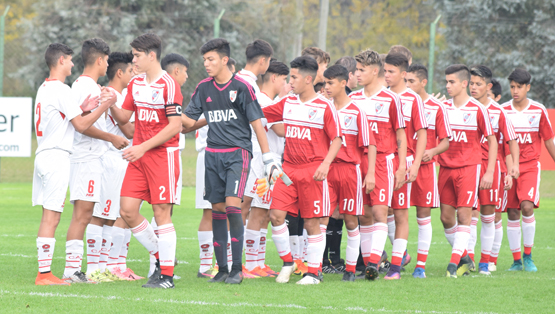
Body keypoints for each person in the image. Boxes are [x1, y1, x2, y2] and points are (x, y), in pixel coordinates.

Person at [182, 38, 282, 284]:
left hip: (237, 154)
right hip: (212, 156)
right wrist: (170, 111)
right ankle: (222, 269)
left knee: (232, 207)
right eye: (204, 60)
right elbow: (186, 122)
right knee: (216, 210)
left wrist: (268, 158)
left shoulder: (242, 87)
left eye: (211, 59)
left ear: (225, 60)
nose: (206, 64)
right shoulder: (203, 88)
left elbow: (257, 125)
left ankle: (238, 269)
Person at [33, 43, 115, 286]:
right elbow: (80, 125)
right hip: (56, 155)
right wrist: (104, 105)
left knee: (49, 216)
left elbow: (71, 117)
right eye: (69, 60)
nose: (72, 64)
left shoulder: (45, 87)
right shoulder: (61, 88)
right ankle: (44, 275)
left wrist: (89, 107)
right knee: (52, 217)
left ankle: (46, 272)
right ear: (60, 61)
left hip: (45, 154)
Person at [110, 33, 183, 289]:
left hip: (163, 157)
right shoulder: (136, 83)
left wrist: (142, 147)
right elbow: (125, 116)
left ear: (152, 55)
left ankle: (167, 276)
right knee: (127, 210)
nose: (133, 59)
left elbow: (175, 126)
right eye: (133, 55)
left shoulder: (169, 84)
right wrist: (109, 103)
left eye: (137, 55)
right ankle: (161, 258)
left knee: (161, 213)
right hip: (139, 157)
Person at [262, 56, 342, 285]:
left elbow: (337, 138)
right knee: (276, 216)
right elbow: (261, 114)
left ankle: (314, 273)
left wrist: (325, 164)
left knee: (311, 223)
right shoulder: (288, 102)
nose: (290, 82)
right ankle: (288, 263)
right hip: (287, 170)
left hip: (312, 171)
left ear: (308, 79)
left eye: (294, 77)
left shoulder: (324, 106)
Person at [65, 38, 129, 283]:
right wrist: (111, 135)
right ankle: (72, 270)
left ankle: (89, 269)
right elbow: (82, 126)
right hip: (85, 157)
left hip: (94, 157)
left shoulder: (89, 86)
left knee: (90, 212)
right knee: (83, 215)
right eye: (106, 61)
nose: (107, 66)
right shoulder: (86, 86)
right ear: (101, 60)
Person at [350, 49, 406, 281]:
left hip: (383, 161)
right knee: (363, 215)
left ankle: (374, 262)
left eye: (362, 70)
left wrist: (402, 166)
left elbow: (400, 134)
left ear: (375, 71)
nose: (357, 74)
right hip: (358, 162)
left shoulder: (391, 99)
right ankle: (367, 264)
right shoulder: (354, 99)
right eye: (357, 69)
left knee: (380, 211)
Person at [440, 64, 497, 278]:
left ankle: (453, 265)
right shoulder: (442, 107)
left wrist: (489, 171)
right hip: (445, 168)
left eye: (452, 82)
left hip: (468, 169)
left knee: (464, 214)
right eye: (446, 81)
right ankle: (465, 257)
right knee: (446, 218)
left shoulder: (477, 109)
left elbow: (492, 141)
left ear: (464, 84)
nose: (447, 85)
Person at [323, 64, 376, 281]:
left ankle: (351, 269)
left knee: (351, 219)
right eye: (325, 82)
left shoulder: (357, 111)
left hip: (348, 170)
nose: (326, 87)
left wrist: (370, 173)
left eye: (330, 83)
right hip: (325, 170)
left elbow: (370, 144)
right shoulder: (324, 108)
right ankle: (315, 268)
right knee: (320, 218)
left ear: (343, 83)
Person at [502, 68, 555, 272]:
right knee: (513, 211)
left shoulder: (538, 110)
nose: (515, 91)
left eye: (519, 87)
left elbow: (549, 141)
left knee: (526, 206)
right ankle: (516, 261)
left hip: (530, 166)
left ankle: (528, 256)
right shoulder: (503, 110)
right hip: (509, 167)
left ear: (528, 87)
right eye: (512, 87)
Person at [243, 58, 291, 279]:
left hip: (270, 165)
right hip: (258, 164)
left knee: (263, 214)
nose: (286, 84)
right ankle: (251, 263)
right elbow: (281, 130)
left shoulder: (271, 101)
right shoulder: (263, 102)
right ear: (275, 78)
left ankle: (257, 262)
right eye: (285, 79)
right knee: (256, 211)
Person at [469, 65, 519, 275]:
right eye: (471, 83)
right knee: (467, 214)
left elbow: (511, 141)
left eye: (478, 84)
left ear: (488, 86)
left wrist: (512, 168)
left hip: (493, 167)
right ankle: (468, 259)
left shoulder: (498, 112)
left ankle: (485, 262)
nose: (473, 87)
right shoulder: (465, 107)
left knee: (489, 215)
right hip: (469, 166)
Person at [383, 53, 428, 280]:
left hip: (404, 161)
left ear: (403, 74)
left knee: (400, 214)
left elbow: (422, 134)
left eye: (391, 71)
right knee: (377, 212)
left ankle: (395, 268)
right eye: (385, 71)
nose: (387, 75)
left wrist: (415, 165)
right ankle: (379, 259)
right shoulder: (381, 96)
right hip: (382, 162)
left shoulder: (413, 99)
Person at [100, 52, 144, 281]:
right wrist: (152, 126)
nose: (133, 74)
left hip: (123, 160)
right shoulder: (113, 96)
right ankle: (113, 265)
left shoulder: (119, 94)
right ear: (120, 72)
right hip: (114, 159)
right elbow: (128, 131)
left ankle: (117, 264)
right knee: (119, 213)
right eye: (130, 70)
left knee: (125, 213)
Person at [405, 63, 451, 278]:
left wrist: (431, 152)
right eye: (405, 81)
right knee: (390, 212)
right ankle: (401, 255)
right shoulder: (400, 102)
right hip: (401, 167)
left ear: (423, 82)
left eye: (411, 81)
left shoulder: (436, 107)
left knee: (423, 216)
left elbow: (445, 142)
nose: (407, 85)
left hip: (425, 170)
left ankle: (420, 265)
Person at [234, 39, 275, 278]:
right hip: (247, 155)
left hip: (250, 155)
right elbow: (258, 125)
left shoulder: (243, 82)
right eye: (268, 61)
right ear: (263, 61)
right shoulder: (247, 86)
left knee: (246, 207)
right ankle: (233, 263)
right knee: (241, 207)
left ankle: (246, 264)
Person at [487, 77, 504, 271]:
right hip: (476, 166)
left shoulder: (499, 113)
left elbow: (508, 145)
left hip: (497, 168)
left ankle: (493, 259)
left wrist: (507, 171)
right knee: (471, 214)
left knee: (494, 215)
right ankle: (470, 258)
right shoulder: (475, 110)